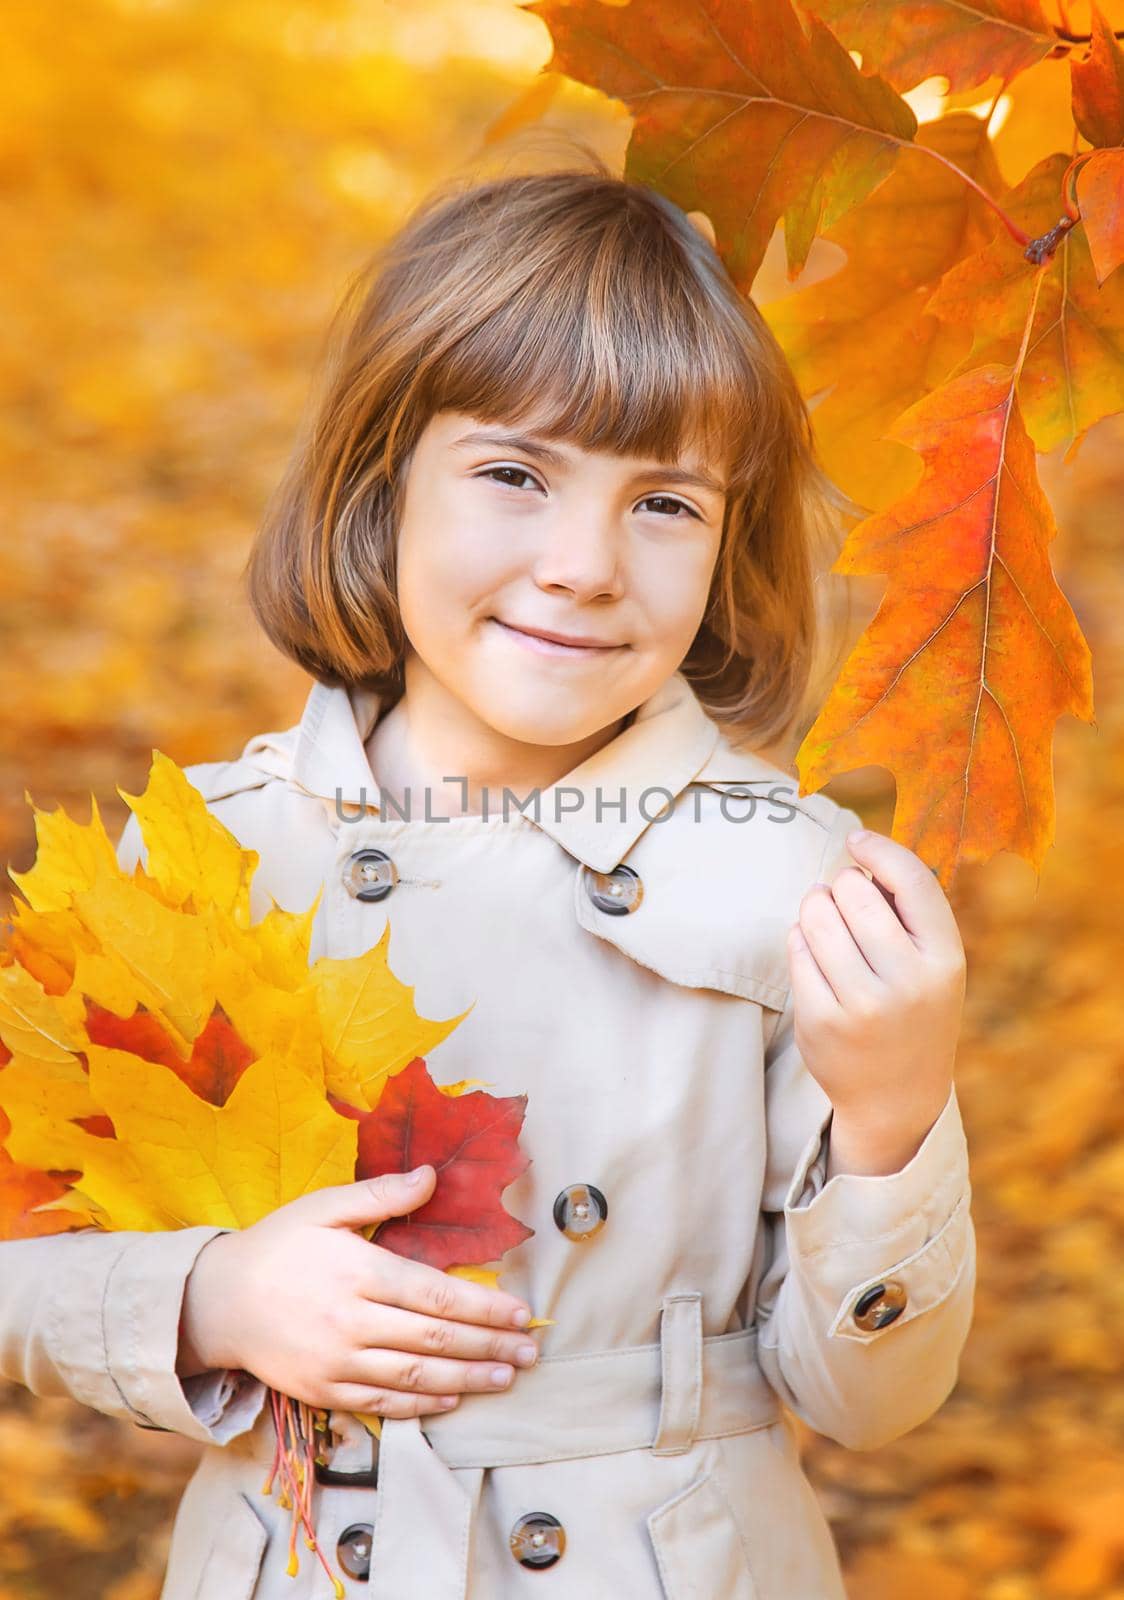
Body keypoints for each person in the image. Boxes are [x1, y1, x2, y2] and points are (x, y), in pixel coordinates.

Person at [0, 156, 975, 1600]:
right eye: (515, 474)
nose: (584, 564)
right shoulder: (210, 858)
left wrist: (895, 1119)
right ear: (383, 485)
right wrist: (212, 1298)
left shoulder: (796, 882)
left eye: (667, 505)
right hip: (302, 1556)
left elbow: (871, 1398)